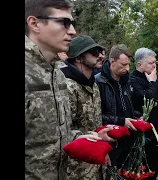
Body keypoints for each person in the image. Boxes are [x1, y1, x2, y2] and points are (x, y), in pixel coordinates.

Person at [25, 0, 111, 179]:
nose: (72, 31)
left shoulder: (56, 73)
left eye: (71, 23)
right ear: (34, 24)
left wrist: (88, 136)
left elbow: (54, 136)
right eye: (64, 22)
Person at [61, 35, 115, 180]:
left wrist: (103, 150)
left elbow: (96, 123)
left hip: (96, 163)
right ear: (78, 58)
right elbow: (63, 132)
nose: (100, 55)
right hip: (77, 168)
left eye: (100, 51)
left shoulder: (93, 85)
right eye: (94, 52)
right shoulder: (67, 86)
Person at [95, 44, 139, 178]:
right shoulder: (99, 82)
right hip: (110, 142)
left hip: (129, 140)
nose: (127, 69)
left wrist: (137, 117)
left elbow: (127, 107)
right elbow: (96, 116)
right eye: (123, 64)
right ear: (112, 61)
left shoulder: (127, 81)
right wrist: (121, 121)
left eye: (128, 65)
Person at [129, 47, 158, 180]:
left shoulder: (156, 79)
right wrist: (152, 83)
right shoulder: (133, 80)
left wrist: (156, 104)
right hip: (144, 133)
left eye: (155, 62)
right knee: (143, 165)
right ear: (139, 64)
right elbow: (144, 99)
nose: (154, 66)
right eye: (151, 63)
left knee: (156, 162)